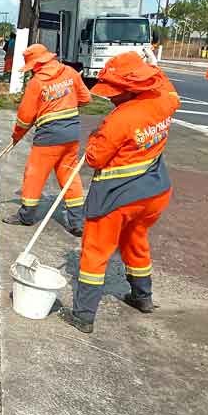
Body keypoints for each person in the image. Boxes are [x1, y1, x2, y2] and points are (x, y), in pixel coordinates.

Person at [58, 52, 180, 334]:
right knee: (135, 241)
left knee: (94, 253)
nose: (111, 97)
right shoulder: (164, 100)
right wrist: (152, 66)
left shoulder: (121, 119)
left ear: (130, 89)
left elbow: (94, 159)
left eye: (116, 92)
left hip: (117, 199)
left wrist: (95, 138)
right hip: (154, 193)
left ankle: (83, 315)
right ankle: (142, 296)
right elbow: (167, 86)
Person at [3, 43, 91, 235]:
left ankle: (26, 216)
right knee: (69, 175)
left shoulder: (36, 83)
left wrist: (16, 137)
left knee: (35, 174)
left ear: (35, 65)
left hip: (49, 136)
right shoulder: (70, 72)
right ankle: (77, 222)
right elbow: (85, 99)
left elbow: (25, 118)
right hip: (72, 133)